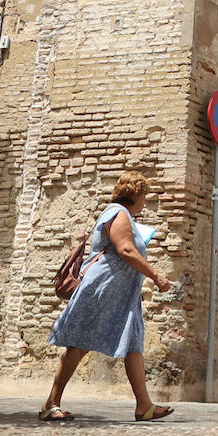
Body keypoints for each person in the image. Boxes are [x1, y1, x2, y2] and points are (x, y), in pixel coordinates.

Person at [40, 170, 174, 422]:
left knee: (133, 343)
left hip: (121, 295)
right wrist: (156, 276)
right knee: (78, 344)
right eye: (144, 196)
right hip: (102, 291)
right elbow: (126, 249)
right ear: (135, 194)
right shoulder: (118, 213)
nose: (145, 202)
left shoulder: (124, 216)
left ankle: (144, 406)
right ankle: (51, 403)